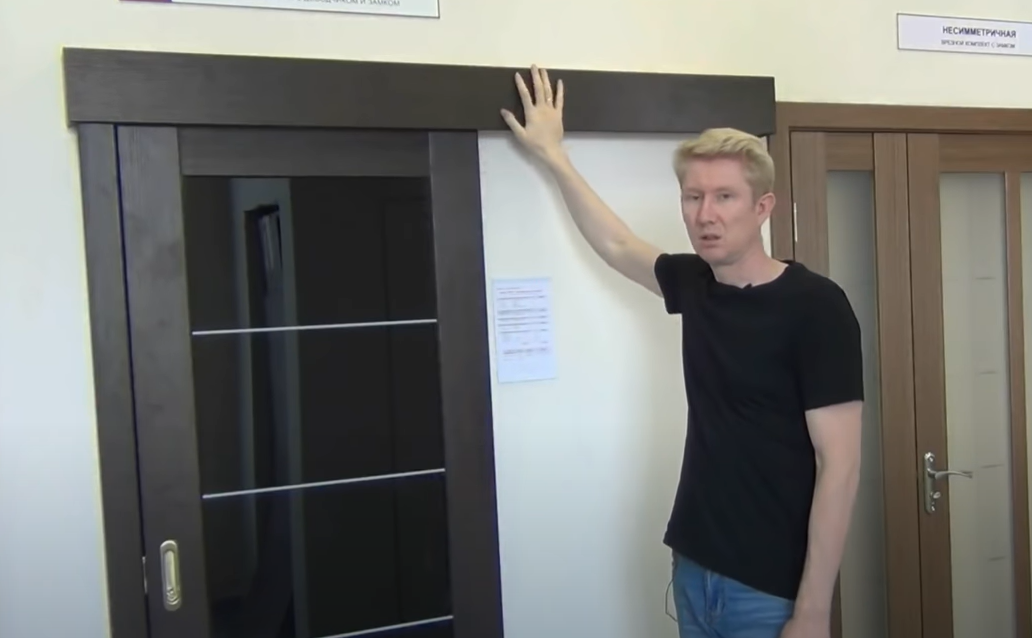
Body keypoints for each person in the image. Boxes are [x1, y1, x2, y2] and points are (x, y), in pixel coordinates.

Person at [501, 66, 864, 638]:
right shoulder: (695, 285)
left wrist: (814, 610)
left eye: (724, 197)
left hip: (769, 587)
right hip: (694, 567)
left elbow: (839, 466)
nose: (705, 214)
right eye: (693, 197)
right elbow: (618, 242)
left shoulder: (816, 307)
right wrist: (553, 154)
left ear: (763, 206)